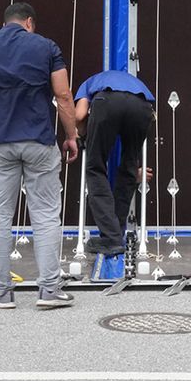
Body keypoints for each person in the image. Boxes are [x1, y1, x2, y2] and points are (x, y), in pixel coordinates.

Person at [0, 2, 78, 310]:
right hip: (39, 140)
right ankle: (49, 290)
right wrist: (71, 135)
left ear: (4, 23)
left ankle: (1, 291)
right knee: (46, 215)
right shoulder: (46, 47)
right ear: (29, 23)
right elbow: (63, 95)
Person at [73, 69, 155, 256]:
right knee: (129, 169)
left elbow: (79, 116)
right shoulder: (132, 81)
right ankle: (116, 234)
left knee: (95, 168)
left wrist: (81, 136)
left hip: (107, 101)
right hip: (142, 106)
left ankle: (111, 238)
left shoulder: (88, 83)